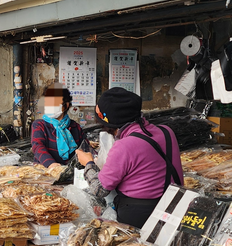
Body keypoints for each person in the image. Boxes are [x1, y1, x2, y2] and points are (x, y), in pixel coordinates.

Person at [76, 87, 183, 229]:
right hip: (174, 207)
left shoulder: (124, 146)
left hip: (139, 215)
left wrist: (88, 162)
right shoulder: (167, 131)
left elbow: (99, 189)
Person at [31, 84, 85, 170]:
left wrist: (94, 158)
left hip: (69, 173)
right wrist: (51, 164)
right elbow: (38, 147)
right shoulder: (39, 125)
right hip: (44, 172)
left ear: (66, 105)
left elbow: (85, 148)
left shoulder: (75, 127)